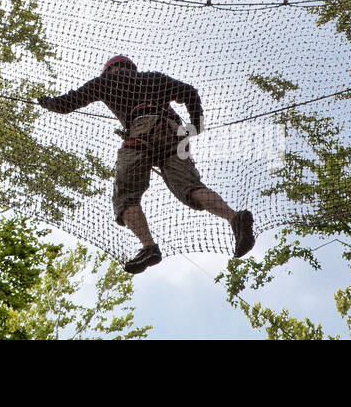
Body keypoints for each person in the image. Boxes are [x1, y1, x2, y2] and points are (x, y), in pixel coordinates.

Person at [38, 55, 255, 274]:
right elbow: (190, 92)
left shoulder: (105, 82)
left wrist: (46, 101)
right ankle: (234, 217)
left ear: (108, 70)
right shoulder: (153, 78)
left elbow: (65, 104)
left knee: (125, 196)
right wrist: (195, 124)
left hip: (140, 131)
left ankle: (148, 247)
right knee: (191, 187)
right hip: (174, 133)